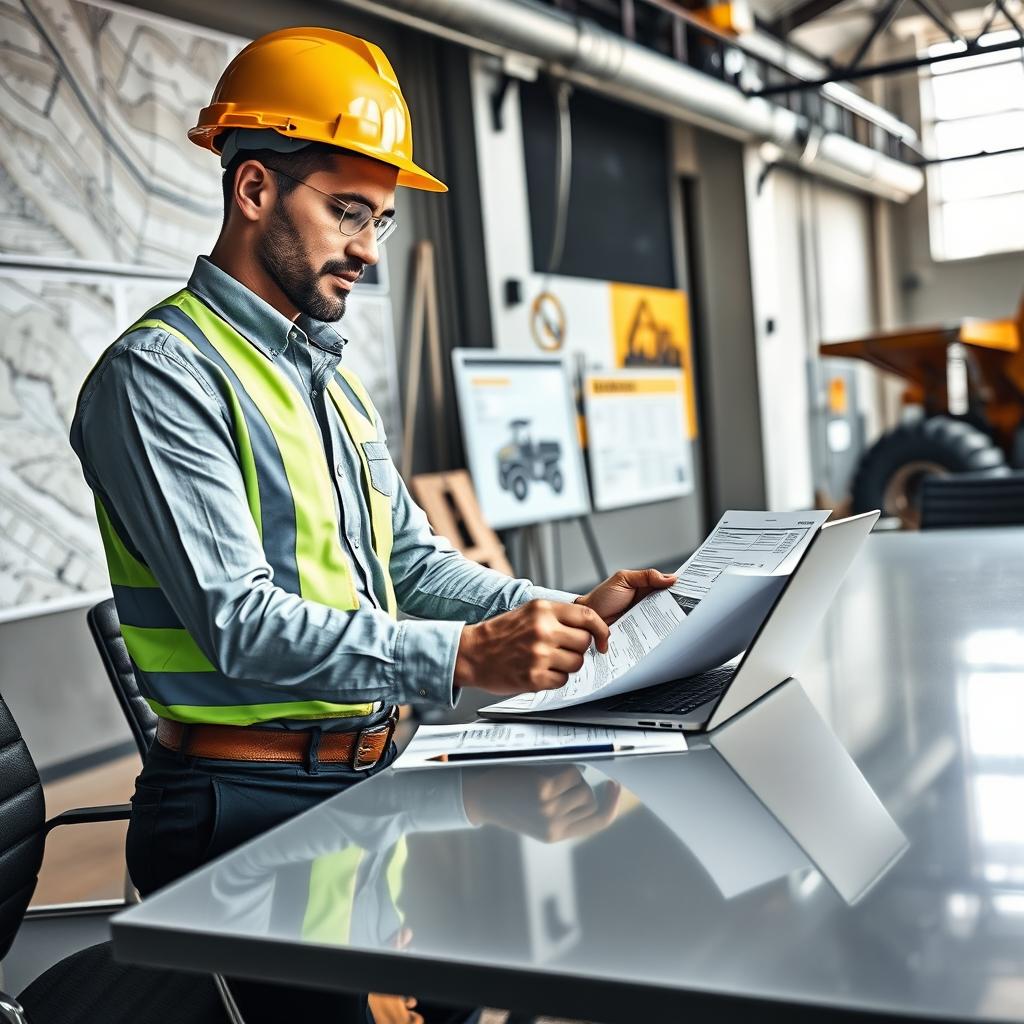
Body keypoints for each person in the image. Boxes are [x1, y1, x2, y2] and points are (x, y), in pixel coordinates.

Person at [69, 25, 675, 1023]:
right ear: (253, 189)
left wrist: (557, 611)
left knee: (467, 998)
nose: (367, 248)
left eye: (382, 221)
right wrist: (468, 655)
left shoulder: (330, 376)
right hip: (241, 810)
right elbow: (240, 625)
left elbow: (407, 560)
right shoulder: (160, 379)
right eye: (349, 211)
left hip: (364, 781)